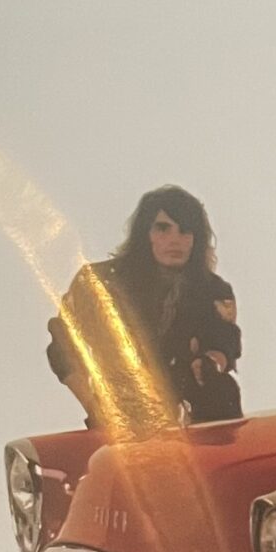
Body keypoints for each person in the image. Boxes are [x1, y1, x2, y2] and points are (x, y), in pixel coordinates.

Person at [47, 185, 242, 434]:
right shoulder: (100, 283)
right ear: (145, 233)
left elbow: (224, 341)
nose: (175, 240)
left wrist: (209, 364)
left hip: (195, 416)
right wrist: (95, 405)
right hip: (124, 411)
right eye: (163, 228)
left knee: (221, 389)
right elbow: (63, 346)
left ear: (196, 239)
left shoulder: (212, 290)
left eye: (185, 230)